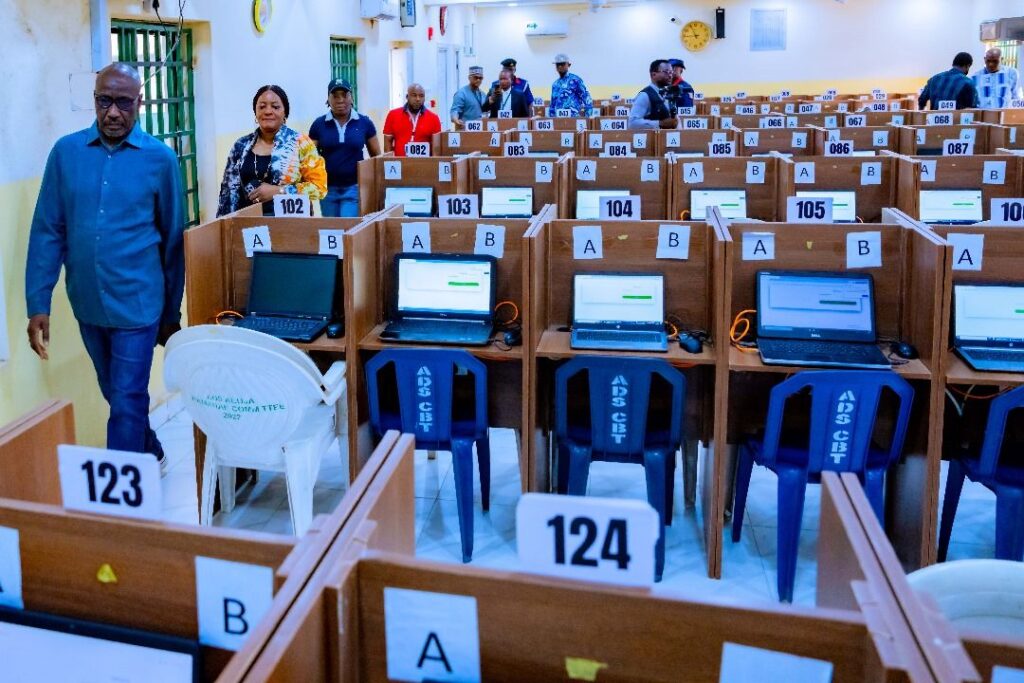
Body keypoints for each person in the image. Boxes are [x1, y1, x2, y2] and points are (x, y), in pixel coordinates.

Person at [25, 63, 184, 469]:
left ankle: (123, 498)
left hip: (139, 303)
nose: (113, 112)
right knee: (115, 391)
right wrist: (38, 302)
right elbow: (48, 230)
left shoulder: (161, 160)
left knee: (127, 399)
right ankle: (150, 450)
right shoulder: (66, 154)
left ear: (139, 102)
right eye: (104, 101)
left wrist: (170, 315)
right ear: (94, 100)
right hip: (88, 302)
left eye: (123, 103)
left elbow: (172, 242)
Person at [217, 84, 327, 216]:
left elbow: (319, 187)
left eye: (275, 107)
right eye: (262, 107)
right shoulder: (241, 145)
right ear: (255, 112)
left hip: (290, 223)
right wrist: (223, 223)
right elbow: (227, 192)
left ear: (285, 112)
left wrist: (279, 191)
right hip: (249, 224)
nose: (268, 111)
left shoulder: (301, 143)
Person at [309, 78, 380, 217]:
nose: (340, 100)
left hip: (354, 188)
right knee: (331, 228)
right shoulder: (319, 125)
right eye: (335, 96)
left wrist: (374, 187)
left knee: (348, 226)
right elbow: (310, 159)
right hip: (327, 190)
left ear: (351, 97)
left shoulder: (364, 123)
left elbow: (376, 156)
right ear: (328, 99)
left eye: (345, 95)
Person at [383, 83, 443, 156]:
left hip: (424, 162)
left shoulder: (434, 118)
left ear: (424, 98)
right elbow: (387, 146)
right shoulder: (393, 115)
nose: (418, 99)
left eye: (421, 96)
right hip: (400, 162)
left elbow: (436, 149)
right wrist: (389, 162)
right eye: (414, 95)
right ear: (407, 97)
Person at [628, 59, 678, 130]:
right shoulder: (644, 95)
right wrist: (660, 124)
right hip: (652, 137)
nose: (670, 75)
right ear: (653, 74)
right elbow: (632, 123)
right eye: (666, 72)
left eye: (671, 72)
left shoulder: (668, 95)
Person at [547, 53, 593, 117]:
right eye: (558, 65)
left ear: (568, 65)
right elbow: (553, 104)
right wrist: (551, 117)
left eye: (562, 64)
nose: (560, 66)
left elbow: (585, 96)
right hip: (558, 119)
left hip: (574, 118)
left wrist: (588, 115)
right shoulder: (555, 84)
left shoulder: (575, 80)